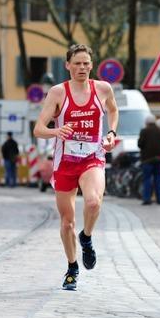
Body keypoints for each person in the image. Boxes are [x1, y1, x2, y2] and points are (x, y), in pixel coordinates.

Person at [33, 44, 118, 291]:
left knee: (93, 202)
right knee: (67, 222)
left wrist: (111, 133)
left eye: (86, 63)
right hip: (65, 163)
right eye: (77, 63)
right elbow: (38, 129)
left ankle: (87, 237)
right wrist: (56, 131)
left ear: (92, 65)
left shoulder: (102, 88)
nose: (82, 68)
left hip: (92, 157)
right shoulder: (58, 93)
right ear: (67, 65)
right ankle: (72, 267)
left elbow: (113, 110)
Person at [138, 114, 160, 205]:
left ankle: (147, 199)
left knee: (147, 179)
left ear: (146, 123)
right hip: (159, 159)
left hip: (147, 160)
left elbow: (140, 144)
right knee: (158, 179)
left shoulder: (144, 131)